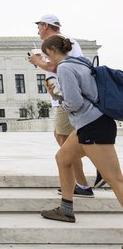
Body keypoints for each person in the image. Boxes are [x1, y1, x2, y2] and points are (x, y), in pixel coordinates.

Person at [40, 35, 123, 223]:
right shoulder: (81, 63)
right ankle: (66, 209)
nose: (47, 60)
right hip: (90, 124)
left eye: (46, 55)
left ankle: (66, 209)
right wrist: (61, 97)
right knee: (62, 158)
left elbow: (75, 103)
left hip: (93, 125)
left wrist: (58, 98)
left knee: (116, 180)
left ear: (52, 50)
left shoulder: (64, 68)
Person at [28, 14, 97, 196]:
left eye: (38, 26)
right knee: (62, 139)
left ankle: (94, 170)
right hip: (61, 97)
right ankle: (85, 180)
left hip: (66, 99)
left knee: (64, 142)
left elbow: (61, 68)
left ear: (45, 26)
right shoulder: (66, 43)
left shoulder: (62, 43)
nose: (37, 30)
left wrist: (39, 62)